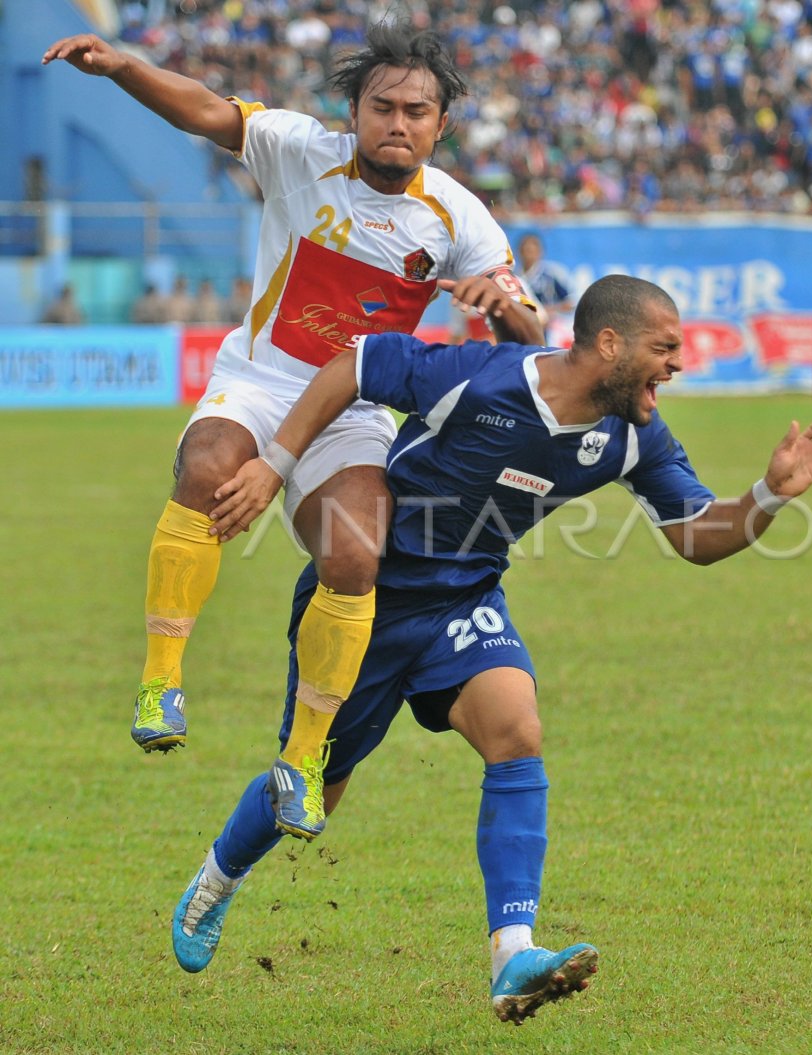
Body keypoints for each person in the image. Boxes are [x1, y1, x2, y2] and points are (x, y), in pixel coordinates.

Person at [171, 274, 812, 1025]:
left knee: (517, 730)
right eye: (665, 347)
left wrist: (771, 493)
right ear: (610, 344)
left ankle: (513, 954)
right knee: (316, 791)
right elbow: (354, 365)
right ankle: (216, 880)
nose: (677, 364)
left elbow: (696, 534)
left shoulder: (628, 437)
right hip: (366, 601)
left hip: (465, 602)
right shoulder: (481, 378)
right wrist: (278, 462)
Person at [42, 22, 544, 812]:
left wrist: (503, 307)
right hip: (262, 380)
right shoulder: (297, 148)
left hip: (354, 407)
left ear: (441, 125)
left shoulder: (460, 219)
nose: (399, 123)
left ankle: (305, 761)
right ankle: (160, 682)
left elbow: (532, 340)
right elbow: (205, 110)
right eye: (383, 106)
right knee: (208, 466)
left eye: (418, 111)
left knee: (355, 554)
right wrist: (124, 69)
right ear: (354, 110)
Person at [517, 231, 575, 347]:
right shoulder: (515, 277)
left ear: (540, 252)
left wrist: (547, 310)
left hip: (548, 327)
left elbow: (570, 303)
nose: (529, 255)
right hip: (523, 329)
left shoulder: (551, 274)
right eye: (526, 251)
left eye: (532, 251)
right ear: (519, 252)